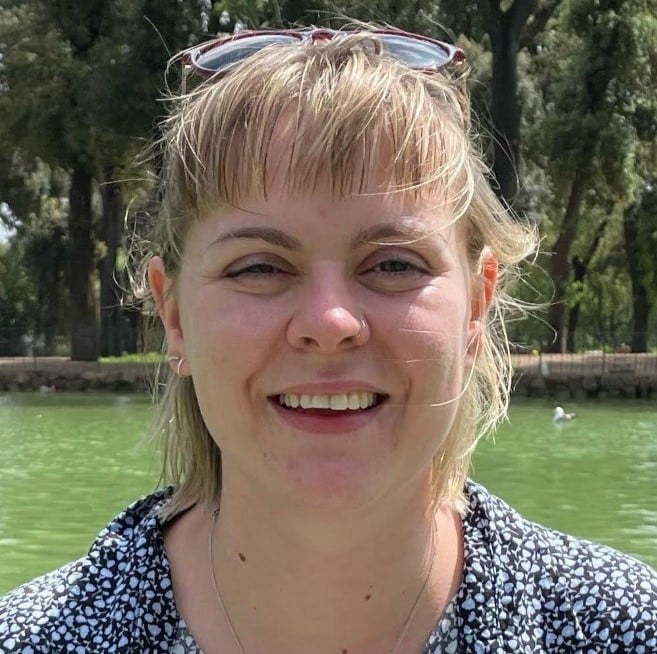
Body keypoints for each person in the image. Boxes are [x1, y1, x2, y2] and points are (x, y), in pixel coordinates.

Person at [1, 25, 656, 654]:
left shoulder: (624, 628)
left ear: (476, 306)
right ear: (173, 315)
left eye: (393, 264)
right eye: (258, 267)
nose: (328, 321)